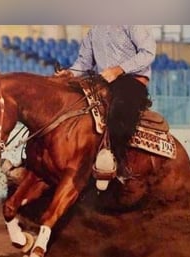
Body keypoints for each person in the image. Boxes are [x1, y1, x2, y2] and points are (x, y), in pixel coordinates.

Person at [56, 25, 156, 168]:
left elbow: (147, 53)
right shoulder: (95, 30)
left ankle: (118, 163)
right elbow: (84, 62)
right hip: (103, 81)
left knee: (119, 109)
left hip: (131, 80)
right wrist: (71, 73)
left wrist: (119, 69)